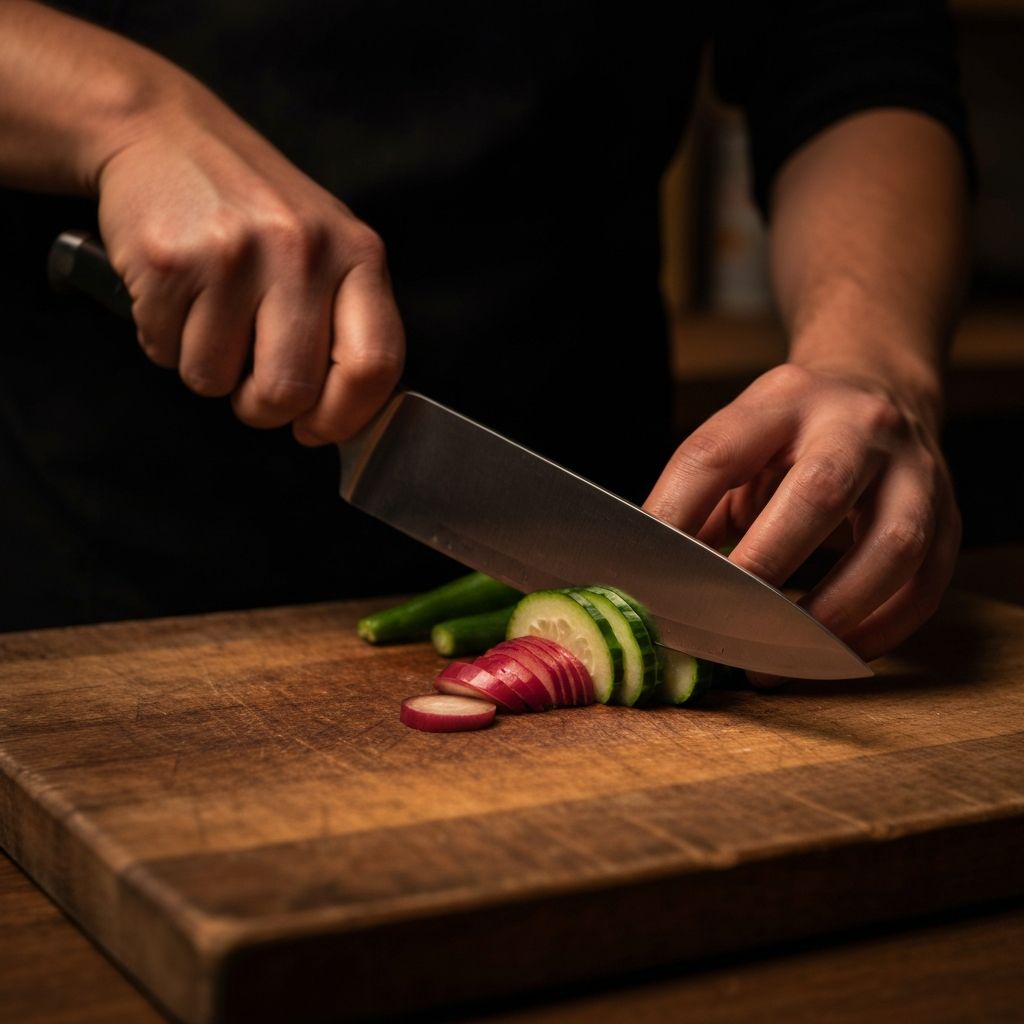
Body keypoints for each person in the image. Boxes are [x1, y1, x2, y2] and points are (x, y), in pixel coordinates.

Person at [0, 1, 972, 677]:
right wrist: (128, 116)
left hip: (608, 477)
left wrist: (870, 356)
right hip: (89, 537)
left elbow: (848, 42)